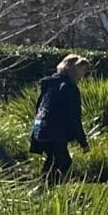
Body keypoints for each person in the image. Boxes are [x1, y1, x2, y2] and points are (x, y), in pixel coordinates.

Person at [28, 55, 89, 186]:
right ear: (73, 69)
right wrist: (83, 142)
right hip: (55, 131)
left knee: (52, 160)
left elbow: (38, 106)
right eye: (82, 70)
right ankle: (46, 189)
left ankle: (42, 188)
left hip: (41, 128)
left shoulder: (49, 84)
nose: (83, 74)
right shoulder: (70, 88)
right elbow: (74, 117)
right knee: (64, 161)